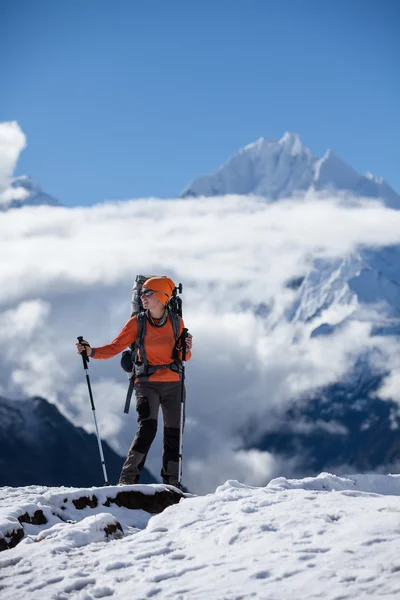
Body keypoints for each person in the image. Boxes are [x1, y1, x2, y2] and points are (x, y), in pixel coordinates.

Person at [76, 276, 192, 488]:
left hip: (175, 383)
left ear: (162, 297)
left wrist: (186, 348)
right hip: (147, 383)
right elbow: (115, 347)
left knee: (174, 434)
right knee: (147, 429)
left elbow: (184, 358)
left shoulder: (177, 322)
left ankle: (171, 484)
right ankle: (127, 481)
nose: (142, 297)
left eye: (148, 293)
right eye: (142, 293)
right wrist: (91, 352)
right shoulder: (136, 322)